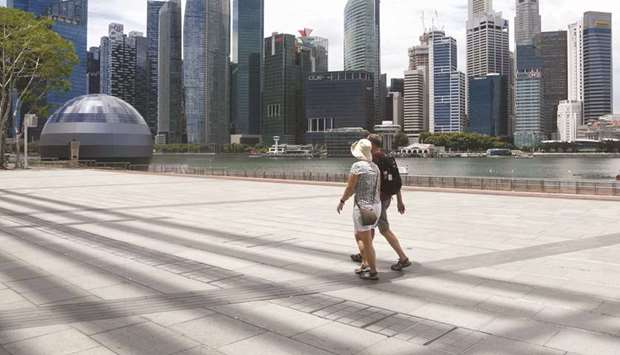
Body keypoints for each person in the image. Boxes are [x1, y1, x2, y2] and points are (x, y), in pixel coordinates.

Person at [350, 134, 412, 272]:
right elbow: (396, 181)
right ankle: (364, 255)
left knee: (383, 229)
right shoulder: (387, 157)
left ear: (371, 145)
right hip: (386, 198)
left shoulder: (375, 161)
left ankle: (403, 258)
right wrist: (400, 201)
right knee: (369, 229)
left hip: (376, 201)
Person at [337, 139, 382, 280]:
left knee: (366, 241)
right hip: (376, 205)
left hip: (363, 207)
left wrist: (342, 200)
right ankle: (365, 263)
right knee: (359, 235)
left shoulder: (357, 166)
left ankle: (372, 270)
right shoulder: (375, 167)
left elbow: (350, 188)